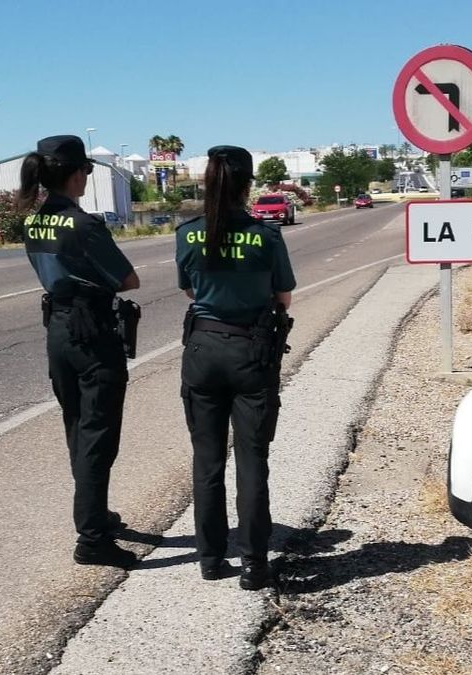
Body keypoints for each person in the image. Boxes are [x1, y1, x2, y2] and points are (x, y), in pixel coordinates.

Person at [176, 145, 296, 590]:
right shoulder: (265, 235)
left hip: (203, 349)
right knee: (252, 460)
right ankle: (253, 564)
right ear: (247, 184)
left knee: (206, 459)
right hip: (252, 351)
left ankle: (210, 558)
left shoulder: (187, 233)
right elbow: (283, 296)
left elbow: (189, 289)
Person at [20, 135, 140, 568]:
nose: (88, 177)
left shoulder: (33, 222)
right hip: (91, 331)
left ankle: (97, 515)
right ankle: (91, 539)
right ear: (74, 174)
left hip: (57, 329)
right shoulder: (84, 224)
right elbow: (128, 280)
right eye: (87, 171)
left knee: (77, 426)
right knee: (98, 433)